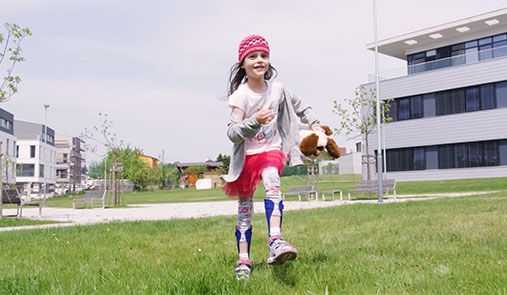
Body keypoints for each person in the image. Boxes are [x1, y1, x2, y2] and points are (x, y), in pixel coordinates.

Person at [223, 34, 323, 279]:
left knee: (273, 183)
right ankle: (243, 261)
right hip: (247, 157)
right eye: (253, 56)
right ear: (243, 63)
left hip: (271, 151)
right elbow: (232, 132)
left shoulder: (278, 89)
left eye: (264, 55)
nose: (260, 60)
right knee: (244, 209)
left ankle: (275, 240)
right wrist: (254, 122)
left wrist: (316, 124)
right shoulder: (241, 96)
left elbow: (301, 106)